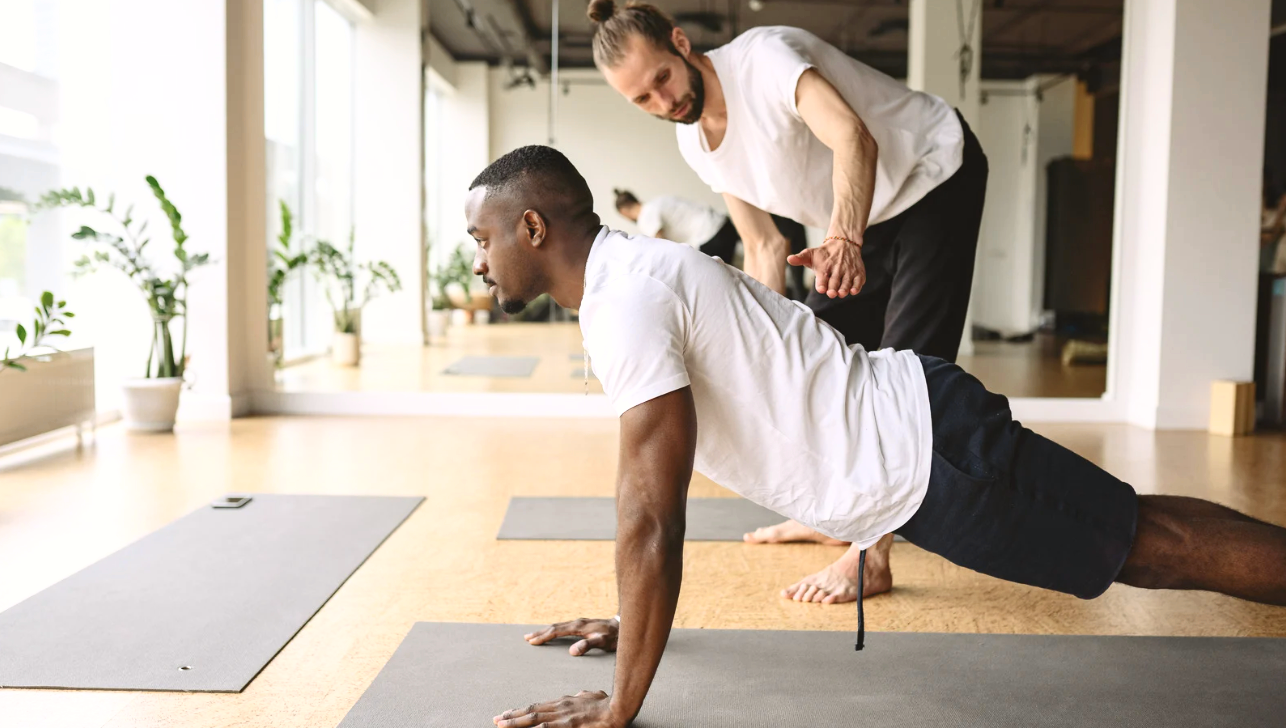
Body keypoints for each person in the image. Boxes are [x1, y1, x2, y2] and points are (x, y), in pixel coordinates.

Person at [471, 146, 1286, 728]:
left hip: (934, 460)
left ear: (534, 228)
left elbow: (650, 520)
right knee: (1141, 529)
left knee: (1150, 545)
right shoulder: (632, 277)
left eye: (482, 239)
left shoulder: (628, 303)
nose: (477, 262)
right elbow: (648, 516)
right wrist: (633, 620)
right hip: (925, 441)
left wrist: (621, 702)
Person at [586, 1, 990, 601]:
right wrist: (760, 357)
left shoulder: (764, 59)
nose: (663, 102)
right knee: (816, 364)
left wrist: (844, 238)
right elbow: (764, 245)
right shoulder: (696, 145)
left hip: (933, 176)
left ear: (680, 42)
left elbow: (855, 137)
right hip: (858, 219)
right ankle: (837, 515)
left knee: (910, 370)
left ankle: (871, 556)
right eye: (642, 100)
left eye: (663, 78)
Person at [614, 188, 810, 298]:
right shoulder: (659, 200)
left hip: (710, 237)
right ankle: (793, 287)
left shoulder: (645, 216)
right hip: (722, 223)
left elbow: (661, 245)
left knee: (720, 285)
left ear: (624, 212)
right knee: (759, 251)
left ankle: (780, 297)